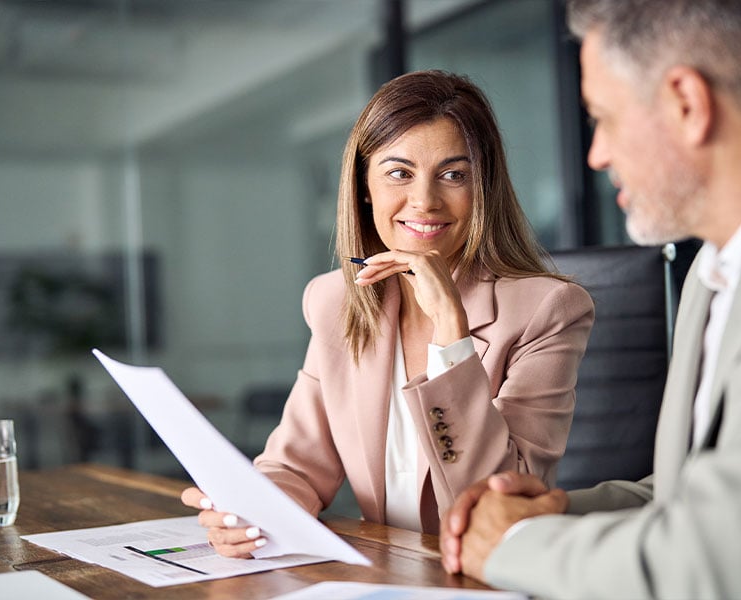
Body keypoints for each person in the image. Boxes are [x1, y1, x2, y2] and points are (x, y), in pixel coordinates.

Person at [182, 69, 594, 557]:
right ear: (364, 188)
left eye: (454, 175)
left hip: (491, 574)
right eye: (399, 173)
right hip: (384, 571)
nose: (424, 201)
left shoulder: (547, 310)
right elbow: (296, 466)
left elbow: (503, 499)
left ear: (483, 188)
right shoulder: (336, 301)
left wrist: (451, 334)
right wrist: (252, 510)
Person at [440, 1, 741, 598]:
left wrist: (516, 545)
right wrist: (557, 511)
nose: (596, 155)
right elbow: (690, 494)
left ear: (687, 105)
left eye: (604, 118)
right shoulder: (713, 275)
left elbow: (730, 555)